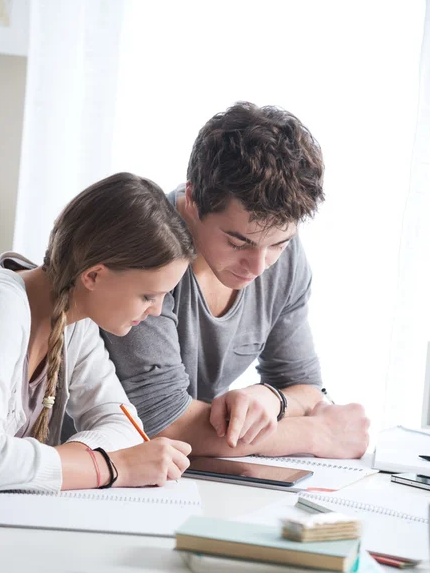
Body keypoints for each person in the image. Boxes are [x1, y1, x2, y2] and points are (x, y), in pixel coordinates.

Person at [103, 103, 370, 459]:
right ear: (194, 198)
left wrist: (272, 399)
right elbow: (163, 422)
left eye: (278, 243)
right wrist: (317, 435)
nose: (259, 266)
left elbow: (305, 388)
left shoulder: (281, 255)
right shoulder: (144, 248)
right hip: (96, 471)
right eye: (237, 242)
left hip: (186, 478)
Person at [0, 172, 195, 492]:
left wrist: (71, 464)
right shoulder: (4, 307)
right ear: (93, 275)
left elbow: (124, 428)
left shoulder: (78, 321)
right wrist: (113, 466)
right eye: (148, 296)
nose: (157, 310)